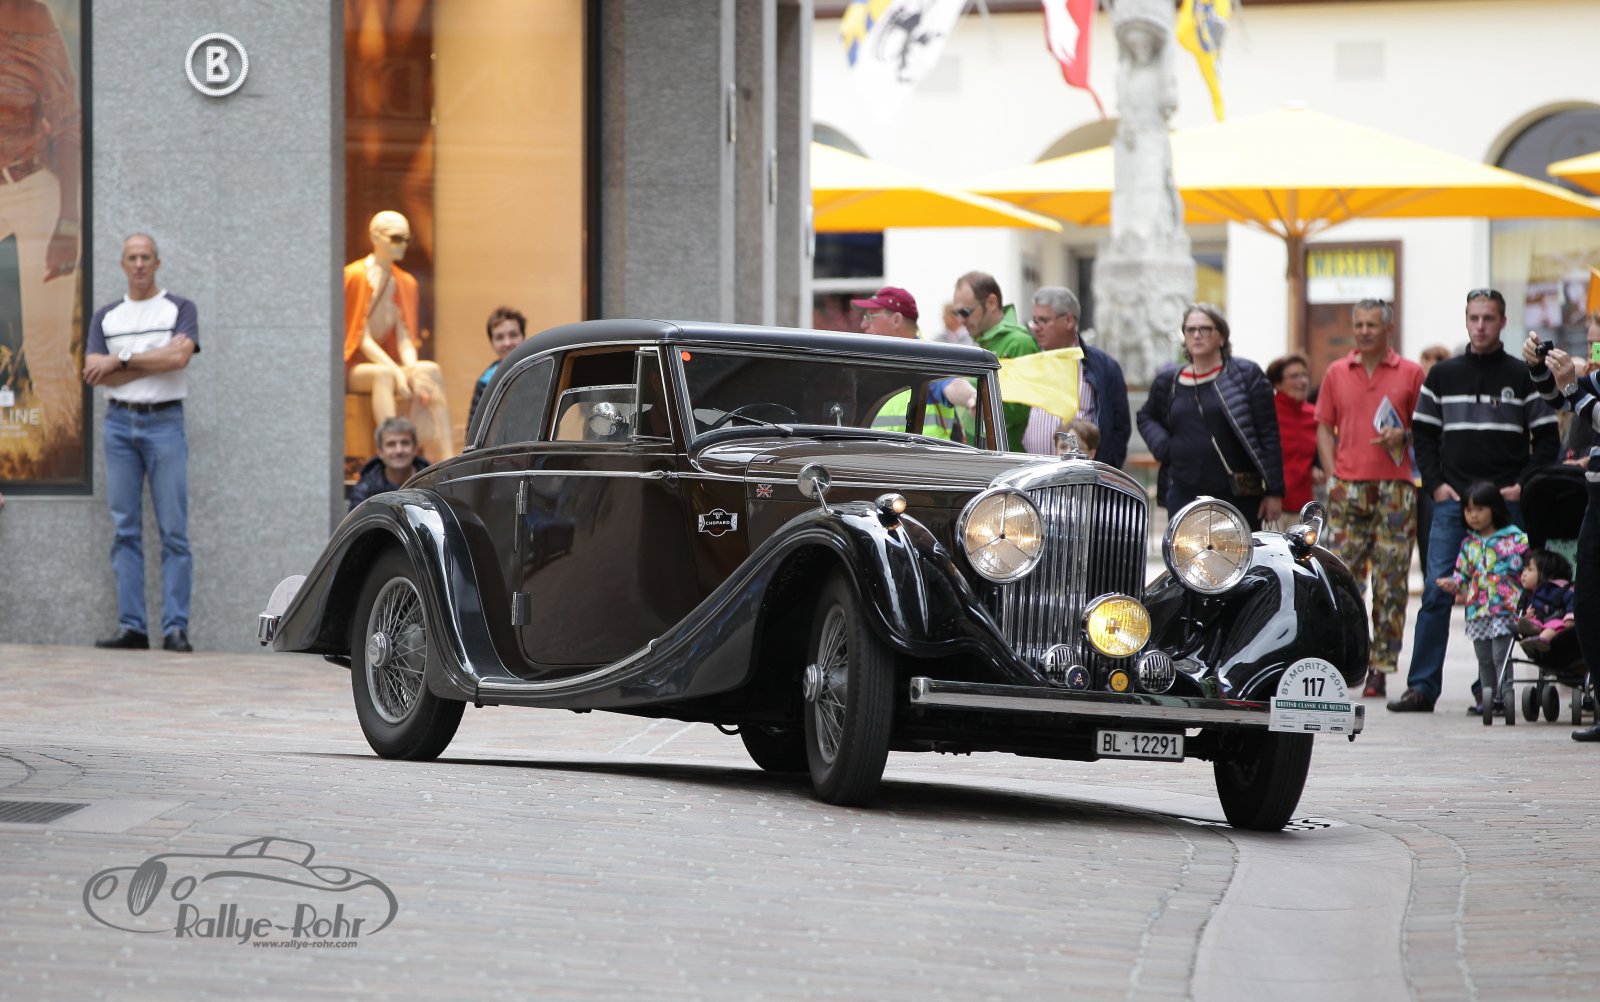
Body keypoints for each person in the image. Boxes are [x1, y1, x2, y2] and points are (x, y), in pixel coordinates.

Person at [1388, 289, 1559, 713]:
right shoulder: (1443, 375)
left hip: (1505, 506)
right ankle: (1421, 687)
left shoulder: (1522, 375)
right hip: (1453, 502)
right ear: (1466, 320)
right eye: (1474, 318)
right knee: (1436, 592)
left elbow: (1547, 440)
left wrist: (1522, 484)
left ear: (1503, 322)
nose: (1480, 326)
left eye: (1489, 318)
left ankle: (1494, 689)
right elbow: (1423, 434)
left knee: (1509, 596)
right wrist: (1435, 484)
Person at [81, 234, 199, 652]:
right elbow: (93, 373)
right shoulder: (106, 316)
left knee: (174, 531)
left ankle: (175, 628)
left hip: (165, 422)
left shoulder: (179, 308)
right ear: (122, 264)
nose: (139, 264)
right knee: (124, 530)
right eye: (132, 258)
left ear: (157, 263)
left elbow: (179, 358)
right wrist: (156, 358)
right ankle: (132, 627)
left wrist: (121, 360)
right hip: (118, 425)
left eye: (146, 257)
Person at [1314, 300, 1425, 698]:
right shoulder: (1336, 371)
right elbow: (1323, 426)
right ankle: (1347, 658)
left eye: (1371, 325)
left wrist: (1405, 436)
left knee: (1391, 580)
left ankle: (1381, 666)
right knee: (1343, 579)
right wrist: (1332, 475)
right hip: (1348, 487)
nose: (1363, 331)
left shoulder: (1411, 372)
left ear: (1387, 328)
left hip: (1396, 488)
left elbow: (1427, 428)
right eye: (1358, 324)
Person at [0, 0, 83, 455]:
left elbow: (68, 123)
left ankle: (63, 453)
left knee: (47, 352)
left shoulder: (31, 16)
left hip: (32, 185)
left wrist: (68, 224)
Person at [1137, 303, 1284, 531]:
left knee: (1238, 553)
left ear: (1222, 336)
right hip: (1184, 492)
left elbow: (1269, 434)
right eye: (1190, 329)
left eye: (1205, 329)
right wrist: (1164, 447)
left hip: (1237, 494)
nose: (1197, 335)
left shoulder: (1246, 375)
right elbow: (1146, 416)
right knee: (1184, 553)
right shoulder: (1168, 381)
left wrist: (1275, 491)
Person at [1521, 330, 1600, 741]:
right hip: (1595, 499)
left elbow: (1581, 402)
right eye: (1592, 345)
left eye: (1598, 344)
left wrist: (1572, 386)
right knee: (1587, 606)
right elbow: (1559, 401)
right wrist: (1540, 368)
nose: (1594, 353)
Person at [343, 209, 453, 462]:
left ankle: (445, 458)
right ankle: (393, 450)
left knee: (430, 371)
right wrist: (396, 372)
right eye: (395, 238)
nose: (402, 244)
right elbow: (361, 338)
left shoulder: (405, 282)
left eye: (406, 238)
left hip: (387, 361)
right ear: (375, 238)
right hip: (354, 365)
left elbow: (405, 337)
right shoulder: (354, 276)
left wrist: (411, 370)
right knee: (383, 375)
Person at [1435, 482, 1527, 725]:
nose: (1473, 515)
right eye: (1468, 510)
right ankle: (1488, 698)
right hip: (1478, 610)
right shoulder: (1469, 544)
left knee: (1500, 655)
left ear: (1494, 509)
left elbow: (1529, 568)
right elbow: (1462, 574)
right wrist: (1453, 583)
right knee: (1484, 658)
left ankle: (1504, 697)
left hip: (1505, 608)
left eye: (1479, 509)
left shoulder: (1516, 539)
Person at [1022, 286, 1131, 468]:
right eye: (1034, 321)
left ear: (1068, 320)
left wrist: (1103, 471)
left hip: (1082, 477)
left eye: (1044, 320)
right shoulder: (1027, 363)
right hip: (1029, 475)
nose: (1036, 328)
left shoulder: (1103, 366)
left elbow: (1119, 429)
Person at [852, 286, 964, 441]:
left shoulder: (929, 361)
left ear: (896, 320)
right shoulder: (869, 365)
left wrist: (972, 399)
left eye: (870, 317)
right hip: (873, 456)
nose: (863, 325)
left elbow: (953, 386)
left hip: (923, 456)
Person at [951, 271, 1038, 451]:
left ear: (991, 302)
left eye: (965, 312)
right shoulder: (980, 341)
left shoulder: (1019, 343)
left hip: (1005, 458)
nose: (960, 320)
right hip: (978, 454)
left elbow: (1021, 410)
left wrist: (975, 399)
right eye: (956, 313)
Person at [1415, 344, 1454, 578]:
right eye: (1425, 364)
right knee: (1421, 537)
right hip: (1412, 479)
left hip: (1438, 480)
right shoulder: (1417, 395)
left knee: (1433, 537)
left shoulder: (1450, 396)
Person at [1267, 353, 1320, 512]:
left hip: (1306, 507)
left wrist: (1317, 465)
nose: (1303, 381)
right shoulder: (1267, 413)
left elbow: (1323, 447)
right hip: (1273, 506)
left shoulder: (1315, 414)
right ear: (1278, 384)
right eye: (1294, 376)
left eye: (1305, 375)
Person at [348, 416, 429, 510]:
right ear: (380, 451)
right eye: (391, 444)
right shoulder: (365, 489)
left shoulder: (432, 484)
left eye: (405, 443)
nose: (399, 450)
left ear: (415, 449)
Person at [467, 306, 527, 432]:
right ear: (492, 343)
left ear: (523, 336)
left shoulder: (542, 373)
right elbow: (473, 431)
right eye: (499, 337)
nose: (507, 343)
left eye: (513, 335)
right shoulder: (484, 382)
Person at [1514, 549, 1574, 656]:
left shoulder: (1558, 589)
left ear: (1546, 573)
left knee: (1553, 625)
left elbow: (1573, 600)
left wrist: (1570, 618)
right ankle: (1529, 629)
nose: (1524, 574)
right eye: (1524, 570)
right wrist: (1527, 615)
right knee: (1532, 621)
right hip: (1540, 623)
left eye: (1530, 570)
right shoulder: (1530, 594)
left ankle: (1541, 641)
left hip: (1559, 625)